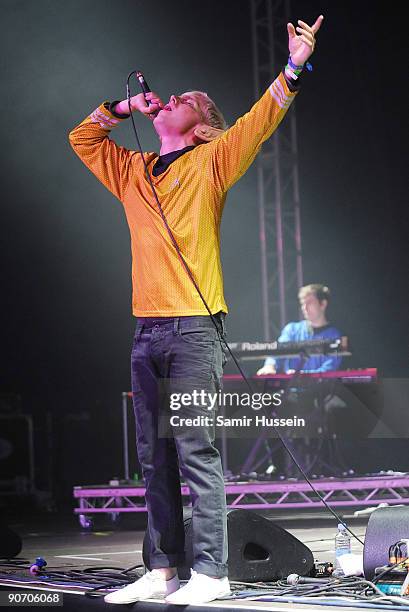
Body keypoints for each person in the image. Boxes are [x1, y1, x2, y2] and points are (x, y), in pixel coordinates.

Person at [68, 15, 323, 606]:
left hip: (194, 329)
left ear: (205, 128)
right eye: (170, 96)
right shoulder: (131, 171)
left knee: (194, 449)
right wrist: (125, 106)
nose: (172, 97)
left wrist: (294, 63)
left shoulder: (212, 162)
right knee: (152, 456)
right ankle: (162, 569)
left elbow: (260, 121)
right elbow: (82, 139)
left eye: (187, 100)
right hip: (146, 330)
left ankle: (212, 571)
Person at [257, 284, 342, 375]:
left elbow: (329, 368)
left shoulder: (335, 336)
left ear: (323, 304)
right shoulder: (292, 329)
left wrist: (302, 375)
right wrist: (270, 365)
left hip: (321, 388)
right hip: (290, 388)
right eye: (302, 304)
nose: (304, 308)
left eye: (309, 303)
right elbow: (278, 351)